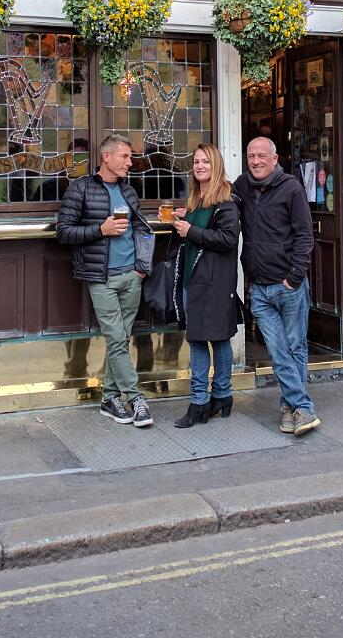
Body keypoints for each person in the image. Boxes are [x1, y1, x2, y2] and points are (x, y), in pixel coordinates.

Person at [55, 133, 155, 428]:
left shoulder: (129, 191)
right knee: (115, 338)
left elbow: (141, 229)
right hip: (102, 278)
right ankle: (135, 397)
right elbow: (64, 231)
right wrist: (101, 229)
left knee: (120, 340)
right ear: (106, 157)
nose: (130, 162)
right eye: (125, 157)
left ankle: (110, 398)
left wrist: (141, 268)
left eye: (130, 157)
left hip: (131, 276)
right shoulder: (81, 188)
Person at [232, 136, 318, 436]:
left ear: (274, 158)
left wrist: (293, 278)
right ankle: (302, 406)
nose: (255, 161)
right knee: (278, 351)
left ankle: (291, 407)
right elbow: (218, 201)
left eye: (261, 156)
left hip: (288, 286)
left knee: (295, 348)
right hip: (259, 287)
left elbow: (305, 236)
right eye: (250, 156)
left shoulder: (291, 188)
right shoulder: (242, 186)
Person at [169, 142, 241, 428]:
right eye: (196, 162)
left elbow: (228, 240)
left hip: (214, 283)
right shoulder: (196, 199)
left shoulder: (226, 200)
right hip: (193, 279)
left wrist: (191, 230)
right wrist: (183, 219)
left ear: (216, 165)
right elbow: (198, 232)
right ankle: (220, 397)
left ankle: (202, 402)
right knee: (200, 337)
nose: (199, 166)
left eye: (206, 162)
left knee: (213, 339)